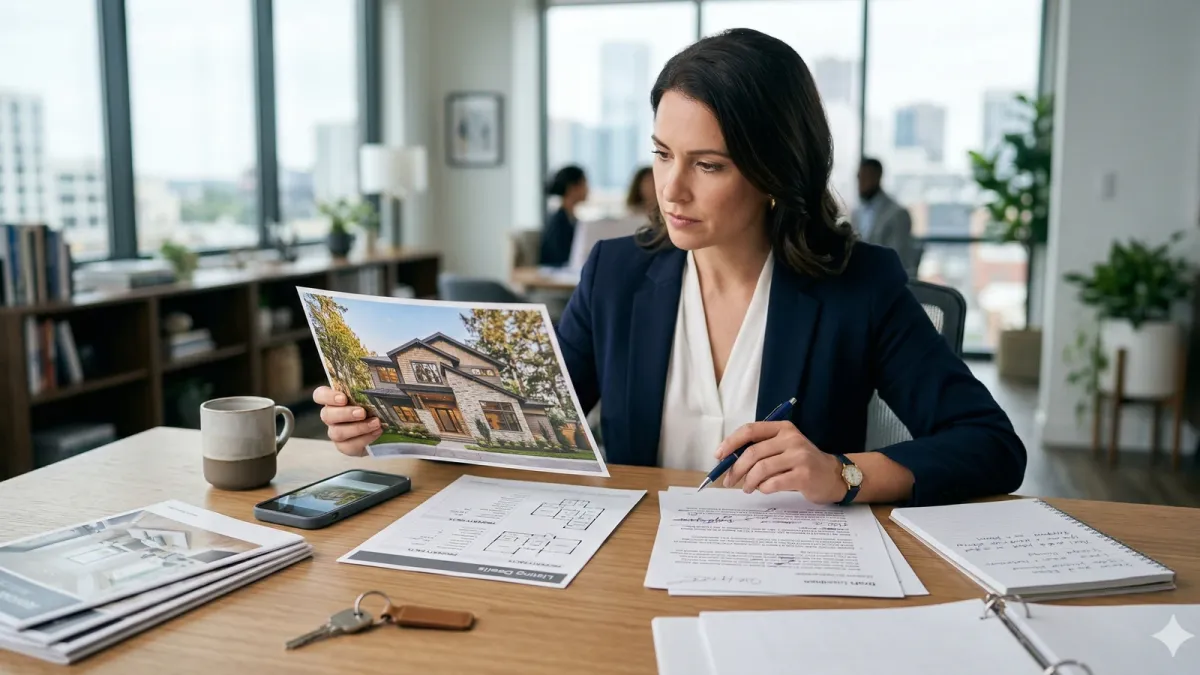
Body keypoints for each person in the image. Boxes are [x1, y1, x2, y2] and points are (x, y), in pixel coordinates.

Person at [314, 28, 1025, 508]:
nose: (671, 188)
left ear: (776, 173)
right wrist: (388, 419)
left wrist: (842, 472)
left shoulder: (858, 285)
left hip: (792, 583)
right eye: (661, 154)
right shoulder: (615, 275)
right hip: (632, 567)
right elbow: (526, 426)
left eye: (707, 165)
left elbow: (992, 445)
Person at [852, 158, 918, 275]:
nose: (861, 183)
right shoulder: (857, 213)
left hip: (887, 282)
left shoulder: (898, 214)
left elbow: (898, 258)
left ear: (877, 177)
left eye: (865, 178)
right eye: (859, 178)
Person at [538, 165, 589, 267]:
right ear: (572, 188)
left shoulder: (572, 219)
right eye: (584, 184)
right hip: (555, 276)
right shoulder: (557, 221)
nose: (587, 189)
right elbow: (559, 256)